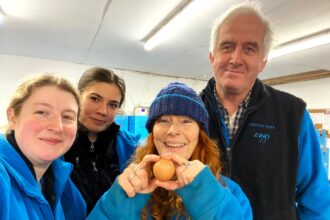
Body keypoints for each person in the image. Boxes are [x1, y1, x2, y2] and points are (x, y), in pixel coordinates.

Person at [200, 3, 330, 220]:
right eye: (227, 46)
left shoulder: (293, 115)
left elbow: (316, 199)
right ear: (212, 57)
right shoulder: (187, 113)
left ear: (263, 62)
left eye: (249, 49)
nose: (235, 59)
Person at [87, 82, 253, 219]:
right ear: (152, 132)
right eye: (163, 120)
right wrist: (122, 204)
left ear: (200, 134)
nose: (172, 130)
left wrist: (208, 200)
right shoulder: (131, 185)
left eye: (186, 121)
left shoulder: (230, 193)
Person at [0, 74, 86, 219]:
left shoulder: (59, 181)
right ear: (13, 117)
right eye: (42, 112)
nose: (57, 127)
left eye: (67, 117)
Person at [64, 67, 140, 213]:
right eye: (95, 99)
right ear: (77, 96)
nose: (102, 111)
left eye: (112, 105)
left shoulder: (130, 148)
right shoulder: (55, 141)